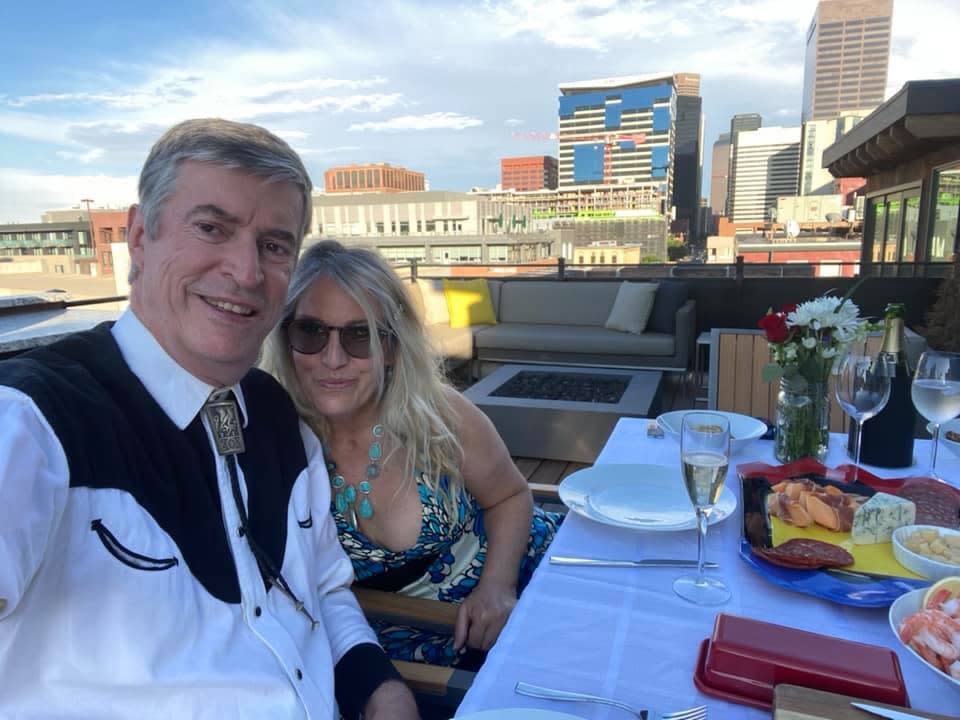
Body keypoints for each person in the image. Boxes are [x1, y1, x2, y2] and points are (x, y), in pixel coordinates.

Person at [0, 119, 418, 720]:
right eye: (212, 228)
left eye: (274, 245)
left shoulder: (276, 415)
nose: (247, 272)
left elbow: (322, 590)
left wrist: (381, 689)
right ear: (140, 237)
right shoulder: (37, 422)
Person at [265, 240, 561, 667]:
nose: (332, 358)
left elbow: (511, 496)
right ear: (285, 337)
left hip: (525, 583)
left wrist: (498, 585)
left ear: (391, 348)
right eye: (311, 331)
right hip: (409, 649)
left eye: (359, 335)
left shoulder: (437, 415)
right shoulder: (277, 446)